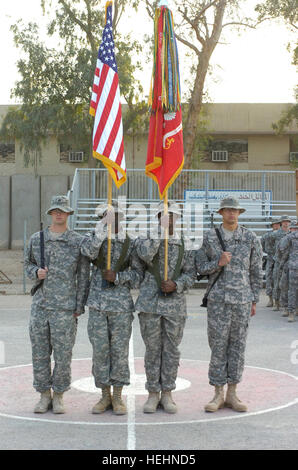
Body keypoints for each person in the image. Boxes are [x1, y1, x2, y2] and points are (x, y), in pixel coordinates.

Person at [196, 197, 262, 413]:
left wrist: (254, 299)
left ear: (239, 213)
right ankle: (217, 393)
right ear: (221, 213)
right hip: (218, 301)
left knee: (238, 346)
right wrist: (218, 263)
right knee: (217, 346)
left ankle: (233, 393)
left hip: (242, 300)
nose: (232, 214)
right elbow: (200, 268)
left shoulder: (250, 237)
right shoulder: (210, 237)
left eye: (235, 211)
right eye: (228, 210)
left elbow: (255, 270)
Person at [25, 195, 90, 414]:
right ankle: (44, 395)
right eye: (55, 211)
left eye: (62, 211)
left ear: (69, 214)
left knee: (63, 355)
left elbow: (83, 276)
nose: (59, 214)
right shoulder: (37, 239)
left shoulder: (77, 241)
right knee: (40, 353)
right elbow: (27, 264)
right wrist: (36, 272)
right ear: (51, 214)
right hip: (41, 306)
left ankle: (59, 395)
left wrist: (79, 306)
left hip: (65, 308)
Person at [80, 200, 144, 415]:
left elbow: (138, 277)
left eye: (115, 216)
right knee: (100, 351)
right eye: (107, 217)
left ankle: (117, 396)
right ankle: (104, 395)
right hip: (98, 303)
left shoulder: (131, 242)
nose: (111, 220)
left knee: (119, 351)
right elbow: (87, 253)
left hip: (120, 306)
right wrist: (100, 233)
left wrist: (118, 277)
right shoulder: (94, 237)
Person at [135, 201, 196, 414]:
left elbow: (191, 274)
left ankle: (168, 392)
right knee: (152, 349)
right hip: (150, 301)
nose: (168, 219)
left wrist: (177, 284)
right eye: (164, 215)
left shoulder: (186, 242)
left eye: (172, 216)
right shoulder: (145, 238)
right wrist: (160, 235)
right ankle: (153, 393)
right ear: (158, 217)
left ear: (178, 219)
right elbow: (144, 256)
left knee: (171, 349)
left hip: (175, 304)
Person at [278, 221, 298, 322]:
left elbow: (281, 248)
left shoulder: (289, 237)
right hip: (292, 267)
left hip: (293, 266)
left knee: (292, 290)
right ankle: (291, 311)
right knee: (291, 290)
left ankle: (291, 312)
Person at [271, 215, 291, 311]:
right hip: (278, 261)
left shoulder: (292, 234)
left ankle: (287, 304)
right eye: (284, 221)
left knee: (287, 284)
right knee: (277, 282)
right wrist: (273, 254)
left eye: (287, 221)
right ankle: (276, 302)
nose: (286, 223)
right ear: (281, 223)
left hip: (288, 262)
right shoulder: (275, 234)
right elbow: (269, 244)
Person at [261, 219, 281, 307]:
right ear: (272, 226)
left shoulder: (283, 235)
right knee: (269, 279)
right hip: (270, 259)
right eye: (274, 224)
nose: (276, 226)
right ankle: (270, 300)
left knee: (278, 280)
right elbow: (262, 244)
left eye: (277, 224)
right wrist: (268, 251)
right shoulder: (267, 235)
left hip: (279, 260)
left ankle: (278, 301)